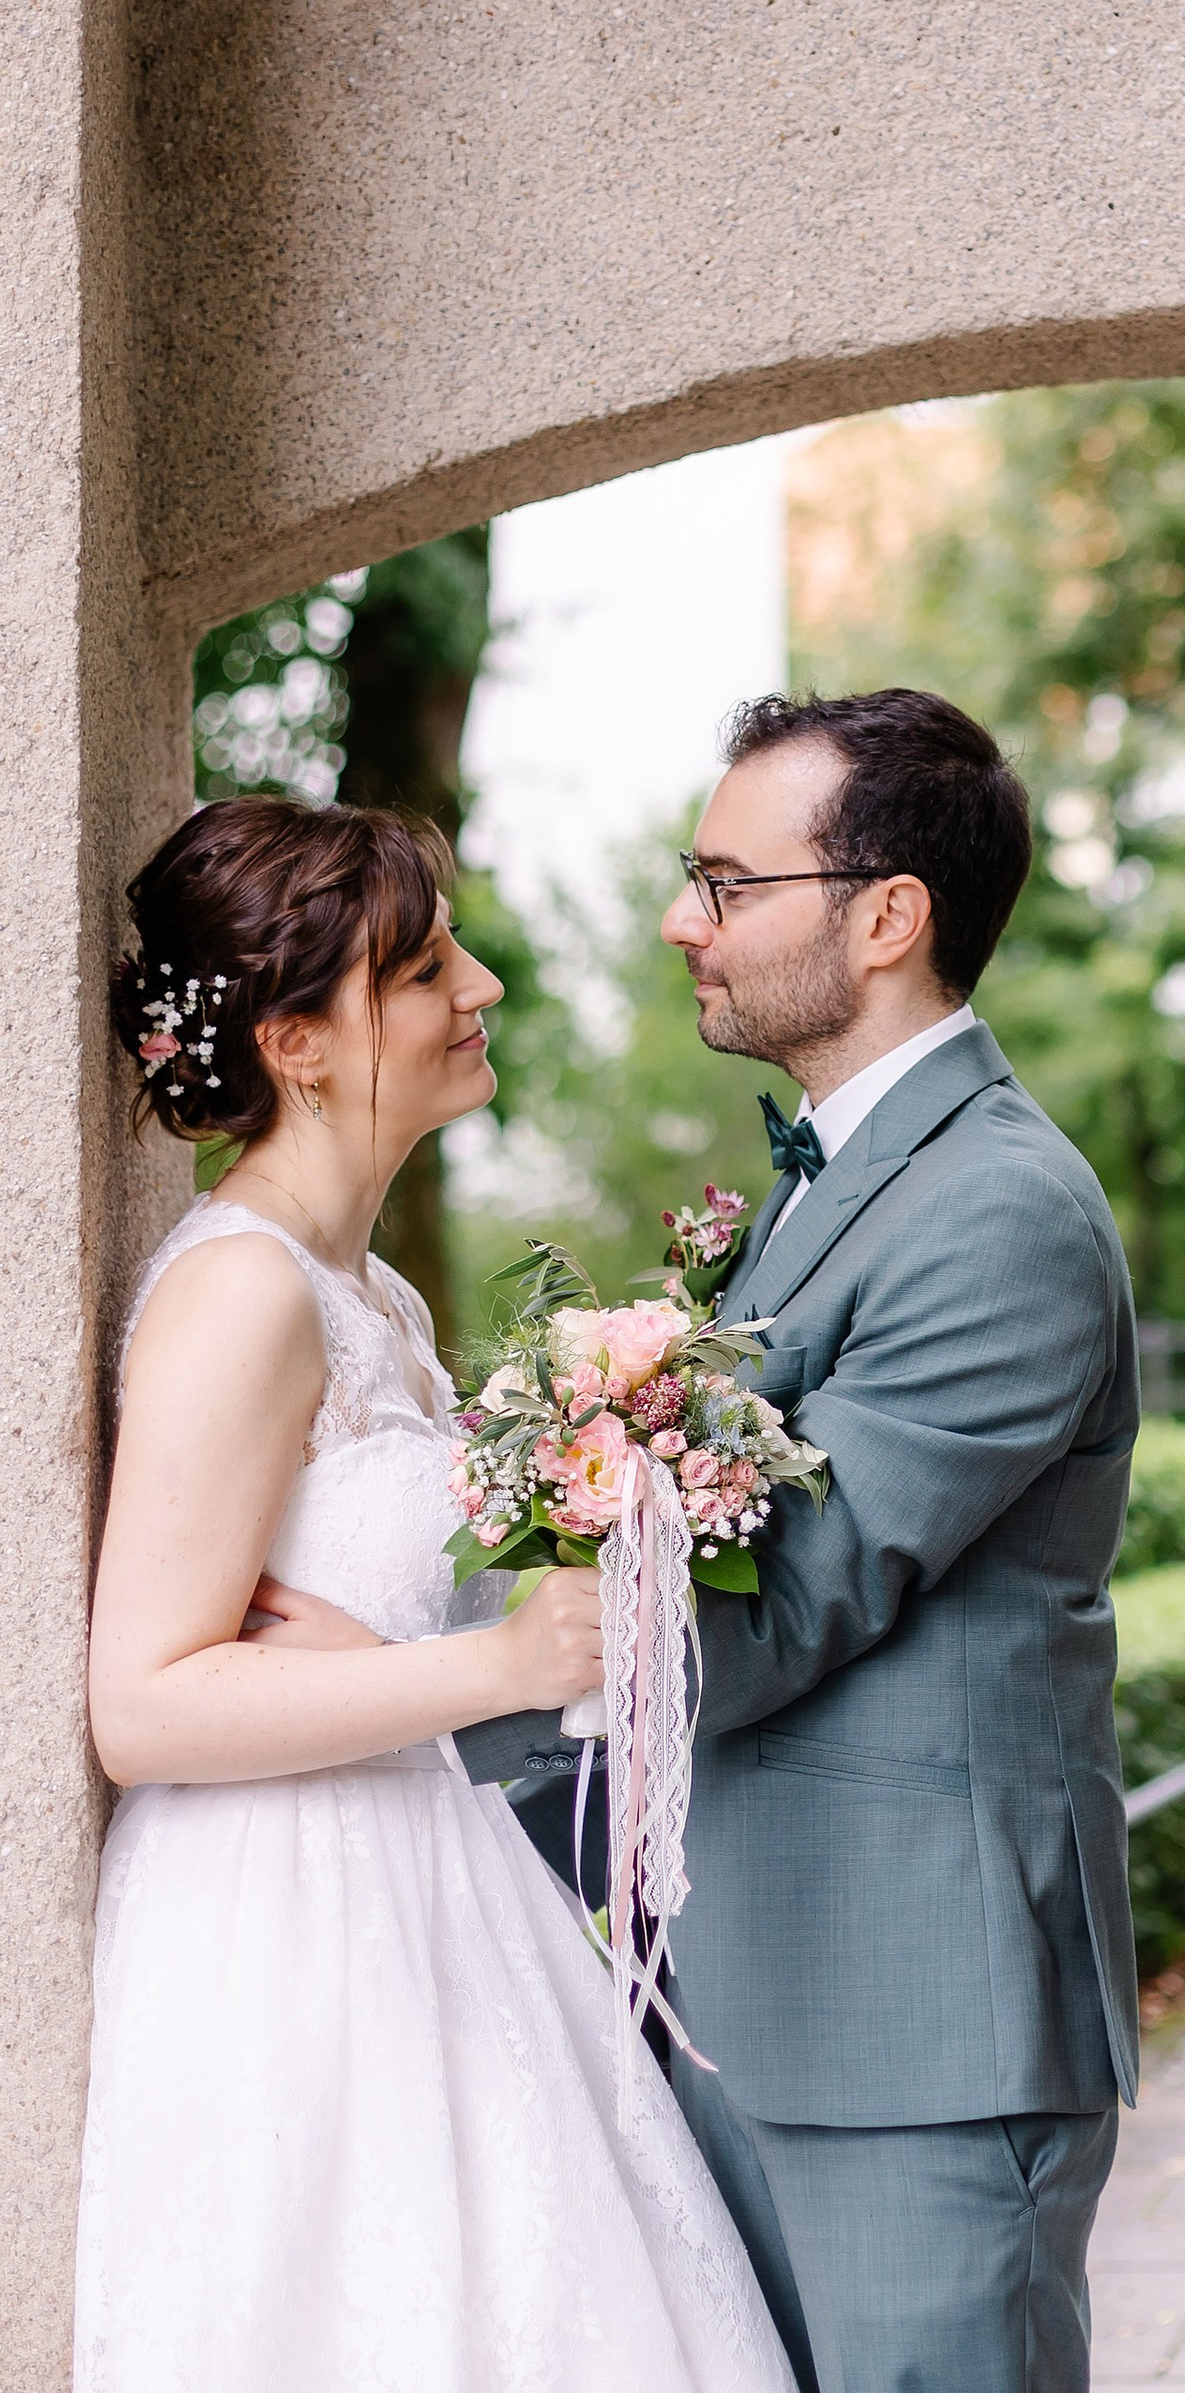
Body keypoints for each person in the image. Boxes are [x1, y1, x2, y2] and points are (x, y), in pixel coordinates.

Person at [459, 688, 1143, 2393]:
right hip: (762, 1992)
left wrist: (405, 1684)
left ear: (886, 915)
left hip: (918, 2031)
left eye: (724, 882)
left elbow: (791, 1596)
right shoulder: (833, 1186)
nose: (681, 921)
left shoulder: (996, 1208)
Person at [76, 797, 798, 2393]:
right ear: (298, 1043)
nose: (480, 989)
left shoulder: (374, 1296)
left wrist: (456, 1649)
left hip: (423, 1876)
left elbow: (375, 1630)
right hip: (288, 1924)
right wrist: (497, 1665)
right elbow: (140, 1703)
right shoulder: (240, 1295)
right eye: (422, 968)